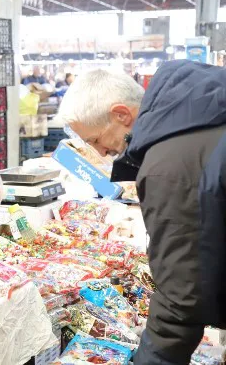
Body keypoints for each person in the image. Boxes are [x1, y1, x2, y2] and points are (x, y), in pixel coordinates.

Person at [57, 61, 226, 365]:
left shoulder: (168, 165)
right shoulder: (203, 116)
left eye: (95, 140)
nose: (100, 152)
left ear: (121, 115)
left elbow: (181, 297)